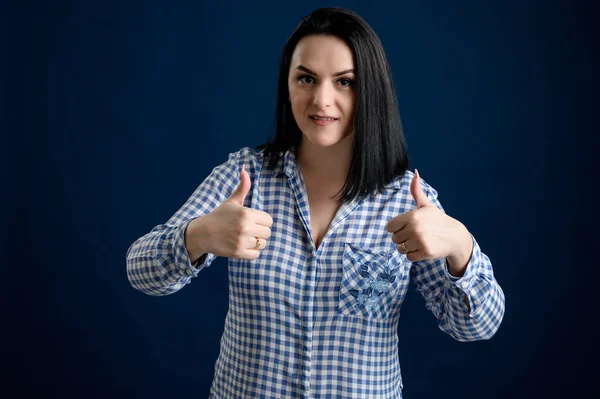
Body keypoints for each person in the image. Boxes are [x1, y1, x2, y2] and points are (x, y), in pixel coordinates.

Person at [126, 6, 505, 398]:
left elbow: (475, 326)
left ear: (370, 91)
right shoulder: (244, 177)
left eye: (345, 82)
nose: (322, 99)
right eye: (306, 78)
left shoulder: (407, 200)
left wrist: (461, 245)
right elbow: (140, 272)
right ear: (287, 86)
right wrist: (197, 236)